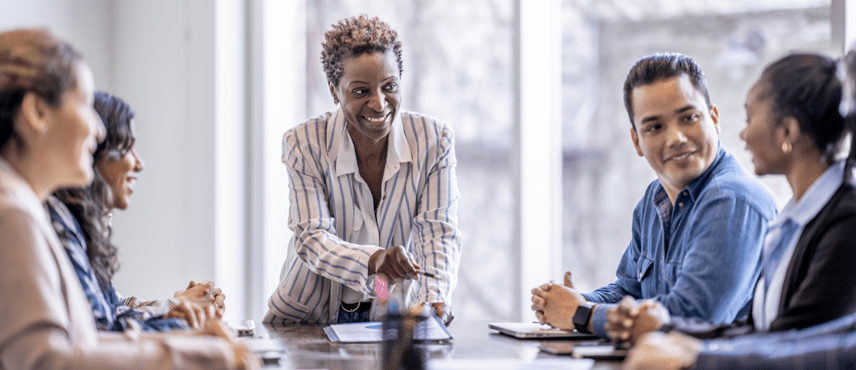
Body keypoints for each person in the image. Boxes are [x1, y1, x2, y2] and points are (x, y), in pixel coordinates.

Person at [0, 28, 258, 369]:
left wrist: (187, 340)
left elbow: (80, 341)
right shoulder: (12, 213)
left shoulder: (22, 205)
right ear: (37, 112)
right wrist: (196, 356)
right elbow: (46, 361)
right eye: (84, 104)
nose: (99, 130)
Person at [622, 51, 856, 370]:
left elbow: (797, 341)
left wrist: (697, 356)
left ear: (787, 132)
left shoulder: (845, 220)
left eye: (749, 119)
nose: (743, 135)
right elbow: (764, 332)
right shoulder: (796, 221)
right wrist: (669, 331)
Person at [531, 53, 778, 339]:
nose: (675, 138)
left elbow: (690, 318)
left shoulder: (733, 200)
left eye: (688, 118)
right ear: (637, 141)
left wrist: (582, 314)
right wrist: (573, 302)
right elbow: (628, 290)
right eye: (655, 127)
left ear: (713, 119)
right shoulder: (654, 199)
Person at [264, 15, 461, 325]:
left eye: (389, 86)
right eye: (360, 91)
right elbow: (312, 238)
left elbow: (436, 233)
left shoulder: (433, 142)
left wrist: (433, 298)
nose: (380, 104)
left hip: (384, 313)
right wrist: (372, 259)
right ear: (334, 91)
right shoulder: (304, 143)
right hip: (306, 320)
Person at [48, 91, 225, 332]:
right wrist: (180, 322)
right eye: (126, 147)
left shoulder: (78, 224)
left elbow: (112, 307)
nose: (139, 164)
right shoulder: (58, 221)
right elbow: (102, 329)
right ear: (94, 151)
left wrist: (177, 307)